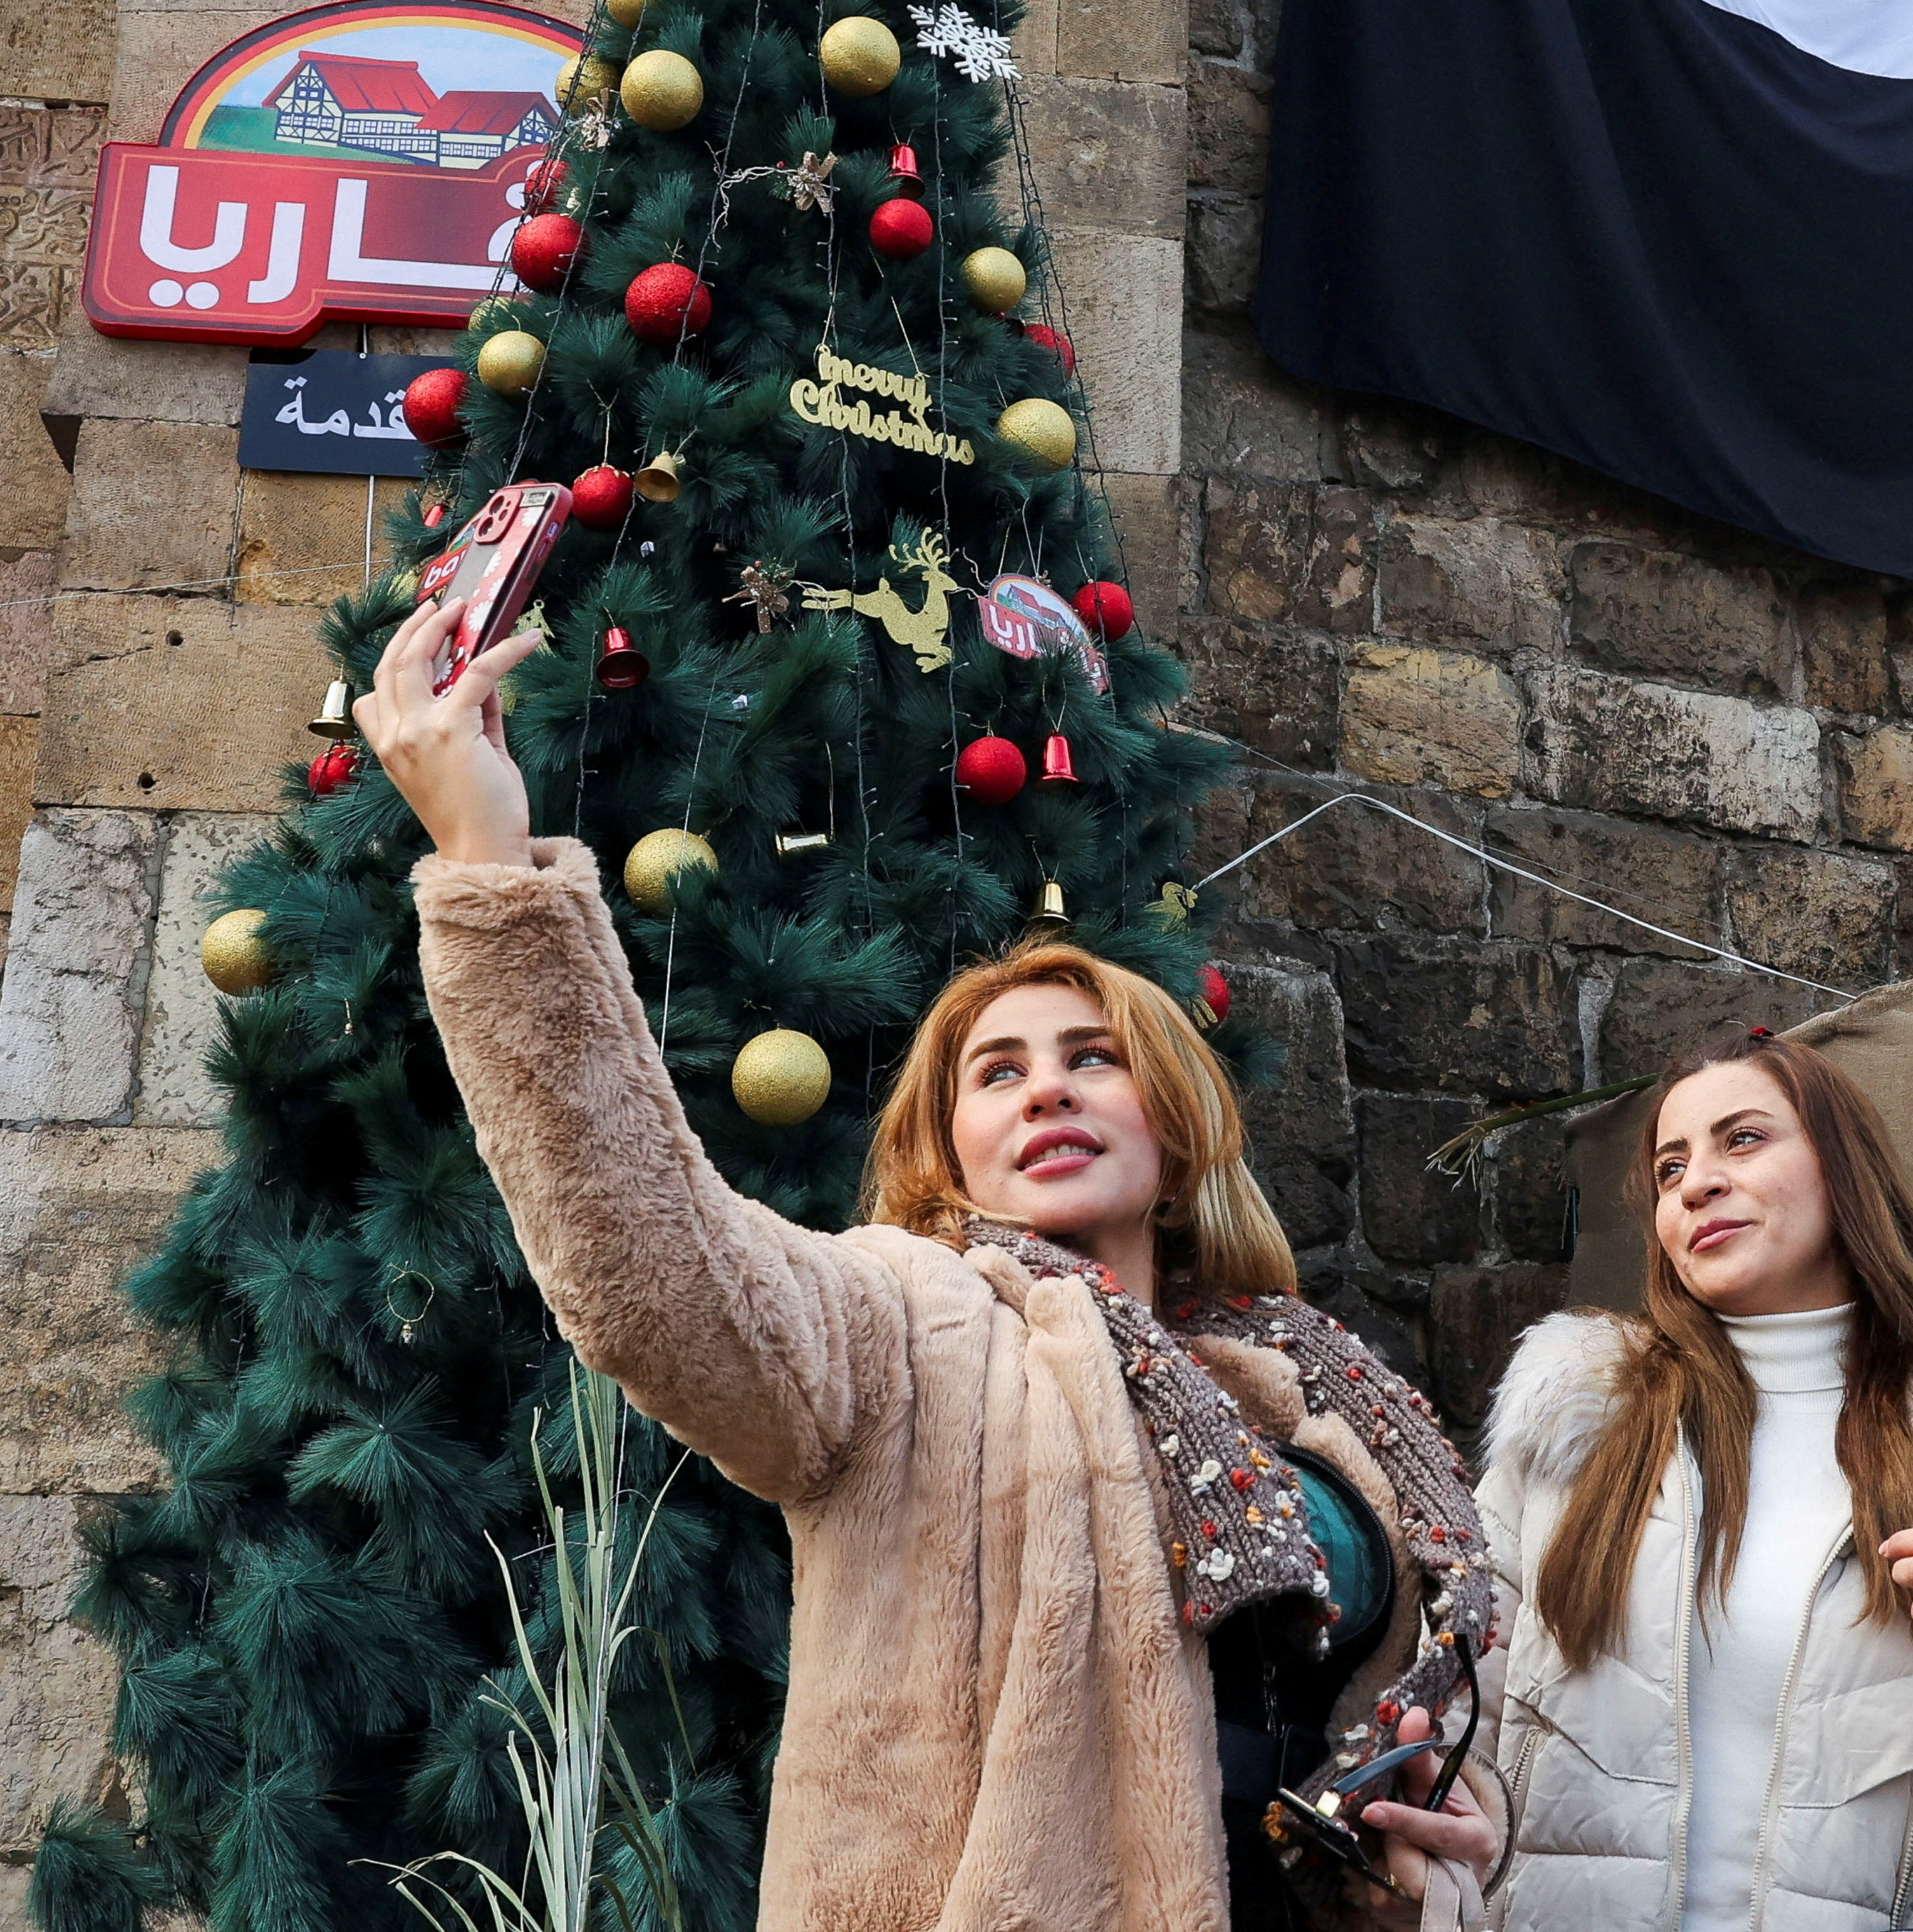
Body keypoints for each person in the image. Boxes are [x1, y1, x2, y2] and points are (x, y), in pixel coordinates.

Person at [356, 596, 1505, 1928]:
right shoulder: (900, 1323)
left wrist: (1460, 1814)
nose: (1047, 1088)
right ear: (948, 1153)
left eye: (1093, 1056)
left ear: (1176, 1123)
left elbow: (1412, 1708)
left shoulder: (1311, 1388)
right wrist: (493, 868)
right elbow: (648, 1259)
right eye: (997, 1072)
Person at [1476, 1031, 1913, 1931]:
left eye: (1742, 1138)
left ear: (1843, 1167)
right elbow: (1455, 1735)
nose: (1697, 1183)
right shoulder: (1572, 1424)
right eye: (1671, 1167)